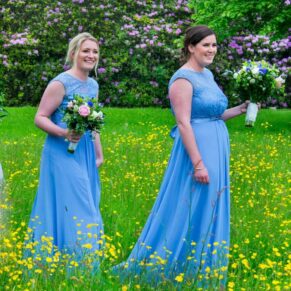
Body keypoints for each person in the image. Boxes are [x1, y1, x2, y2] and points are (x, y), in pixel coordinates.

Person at [116, 26, 251, 287]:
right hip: (197, 149)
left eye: (214, 45)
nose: (212, 50)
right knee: (193, 203)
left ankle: (203, 265)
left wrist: (240, 109)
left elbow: (213, 113)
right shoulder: (182, 79)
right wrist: (198, 163)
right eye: (206, 45)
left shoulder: (208, 75)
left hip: (216, 145)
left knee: (211, 202)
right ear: (191, 47)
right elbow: (184, 123)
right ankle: (174, 266)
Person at [26, 33, 104, 257]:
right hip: (61, 151)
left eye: (95, 52)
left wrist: (99, 154)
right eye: (86, 50)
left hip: (85, 152)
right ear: (73, 53)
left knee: (86, 201)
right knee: (78, 204)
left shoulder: (93, 85)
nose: (91, 55)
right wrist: (64, 133)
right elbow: (40, 117)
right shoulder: (60, 83)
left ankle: (71, 257)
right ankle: (77, 259)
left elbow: (93, 122)